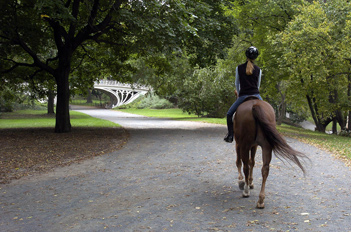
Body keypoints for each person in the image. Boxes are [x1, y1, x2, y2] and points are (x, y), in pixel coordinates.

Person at [224, 46, 263, 143]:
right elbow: (258, 85)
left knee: (229, 114)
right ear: (255, 57)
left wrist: (239, 94)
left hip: (243, 96)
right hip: (256, 95)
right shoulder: (259, 70)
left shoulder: (239, 68)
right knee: (267, 113)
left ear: (246, 56)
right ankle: (266, 136)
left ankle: (230, 135)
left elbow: (237, 83)